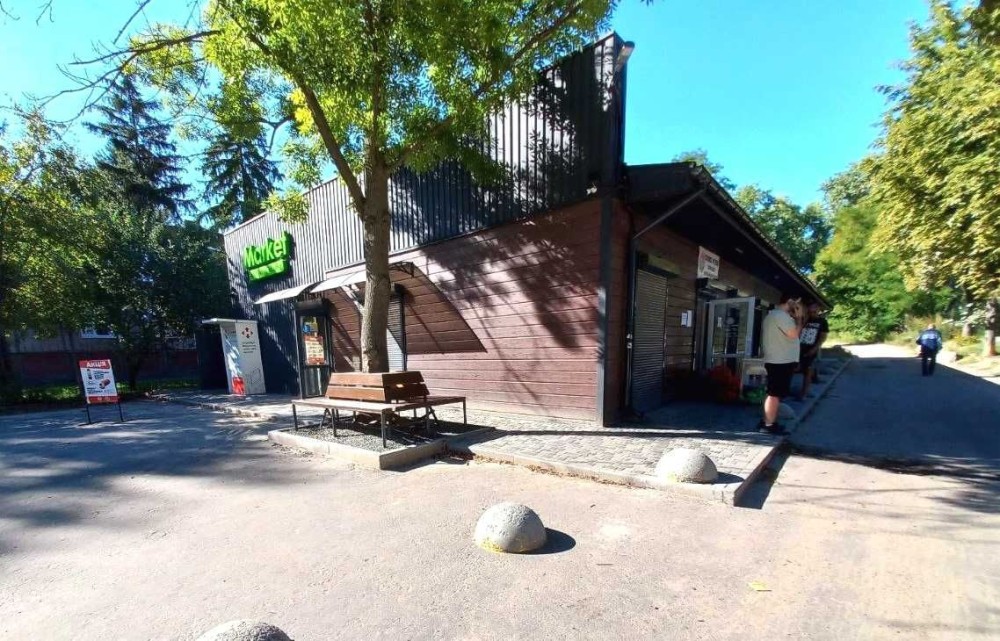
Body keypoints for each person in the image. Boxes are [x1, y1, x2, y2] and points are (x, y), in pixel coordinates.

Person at [759, 294, 805, 434]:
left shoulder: (776, 315)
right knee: (774, 394)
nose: (798, 306)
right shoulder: (781, 316)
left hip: (778, 360)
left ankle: (766, 421)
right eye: (797, 303)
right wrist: (799, 319)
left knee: (772, 393)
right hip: (780, 361)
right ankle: (768, 425)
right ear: (790, 301)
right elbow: (793, 334)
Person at [796, 302, 829, 400]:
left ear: (818, 311)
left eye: (814, 312)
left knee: (808, 371)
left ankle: (804, 393)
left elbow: (823, 337)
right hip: (799, 347)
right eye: (810, 312)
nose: (812, 314)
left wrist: (815, 348)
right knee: (795, 368)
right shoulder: (805, 320)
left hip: (811, 348)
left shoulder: (822, 322)